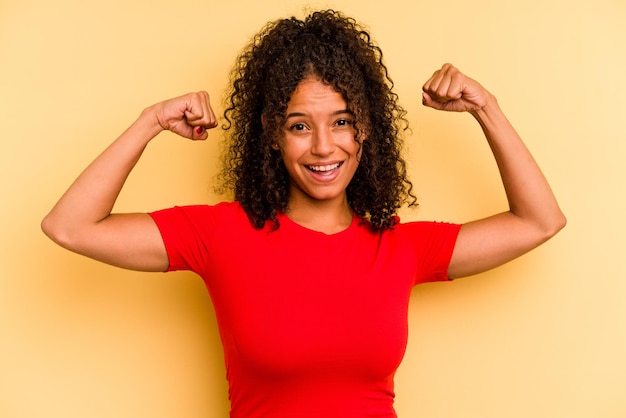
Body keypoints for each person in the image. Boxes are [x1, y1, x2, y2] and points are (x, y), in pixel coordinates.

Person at [41, 9, 565, 418]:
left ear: (365, 130)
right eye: (298, 126)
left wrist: (485, 108)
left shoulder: (401, 247)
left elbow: (539, 220)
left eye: (341, 122)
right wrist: (149, 121)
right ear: (272, 133)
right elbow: (70, 226)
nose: (322, 147)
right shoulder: (219, 234)